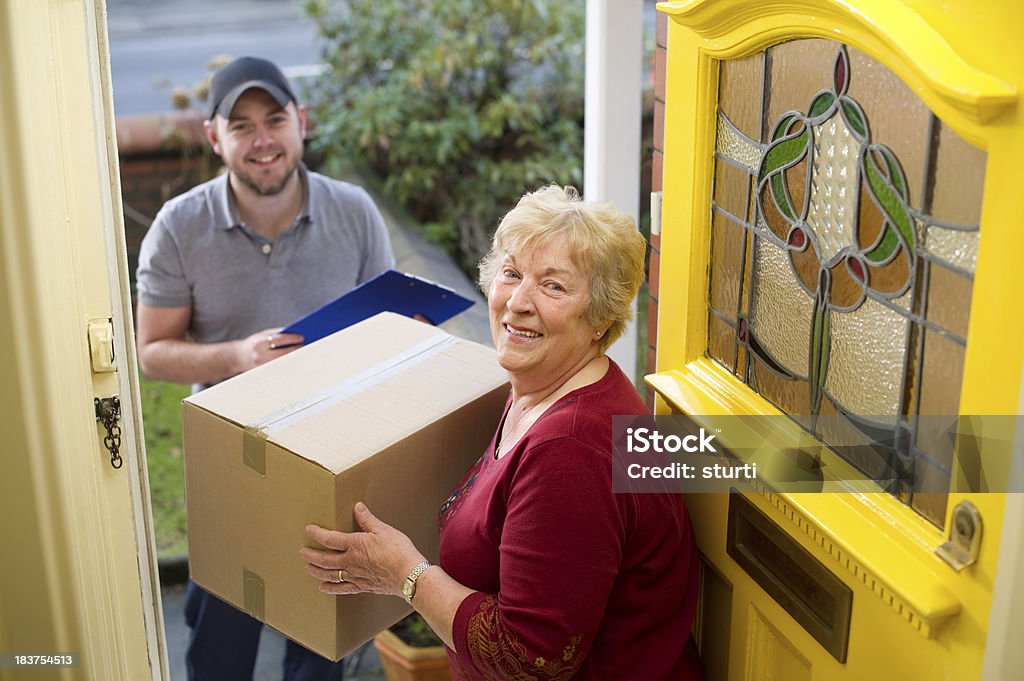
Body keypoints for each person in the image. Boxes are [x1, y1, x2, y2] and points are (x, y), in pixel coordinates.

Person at [300, 185, 704, 680]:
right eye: (511, 274)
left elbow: (528, 657)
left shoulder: (572, 450)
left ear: (599, 318)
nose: (518, 302)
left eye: (553, 286)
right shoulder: (537, 390)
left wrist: (405, 576)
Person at [136, 56, 395, 680]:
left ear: (300, 123)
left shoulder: (354, 212)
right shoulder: (178, 227)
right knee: (221, 646)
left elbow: (393, 331)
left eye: (274, 120)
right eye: (242, 125)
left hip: (333, 455)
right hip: (233, 462)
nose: (262, 141)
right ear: (213, 137)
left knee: (322, 643)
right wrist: (235, 357)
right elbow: (151, 352)